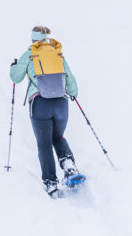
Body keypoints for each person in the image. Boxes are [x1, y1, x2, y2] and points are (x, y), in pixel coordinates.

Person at [9, 25, 81, 197]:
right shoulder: (57, 53)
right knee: (58, 136)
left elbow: (15, 77)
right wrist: (72, 93)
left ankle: (50, 182)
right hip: (61, 104)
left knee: (44, 143)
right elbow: (72, 83)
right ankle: (69, 165)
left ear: (33, 39)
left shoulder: (30, 54)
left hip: (40, 104)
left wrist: (14, 66)